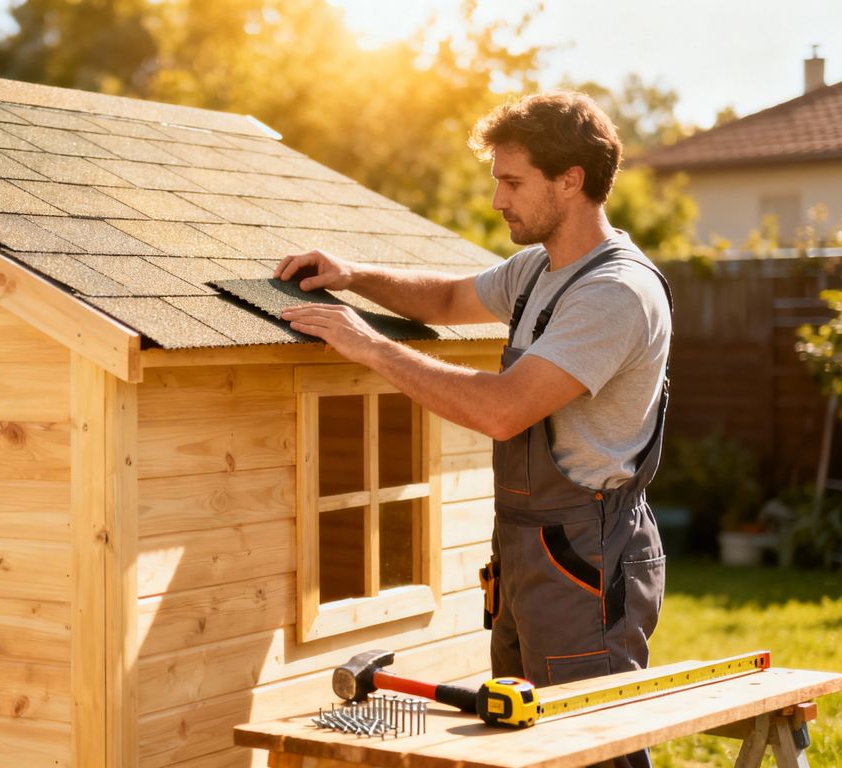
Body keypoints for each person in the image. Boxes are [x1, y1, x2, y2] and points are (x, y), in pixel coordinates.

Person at [276, 91, 670, 768]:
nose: (496, 200)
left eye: (512, 182)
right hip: (525, 548)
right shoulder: (538, 269)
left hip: (584, 557)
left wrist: (370, 348)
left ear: (569, 180)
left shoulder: (614, 293)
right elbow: (450, 298)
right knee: (521, 740)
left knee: (592, 750)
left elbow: (502, 409)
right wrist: (355, 276)